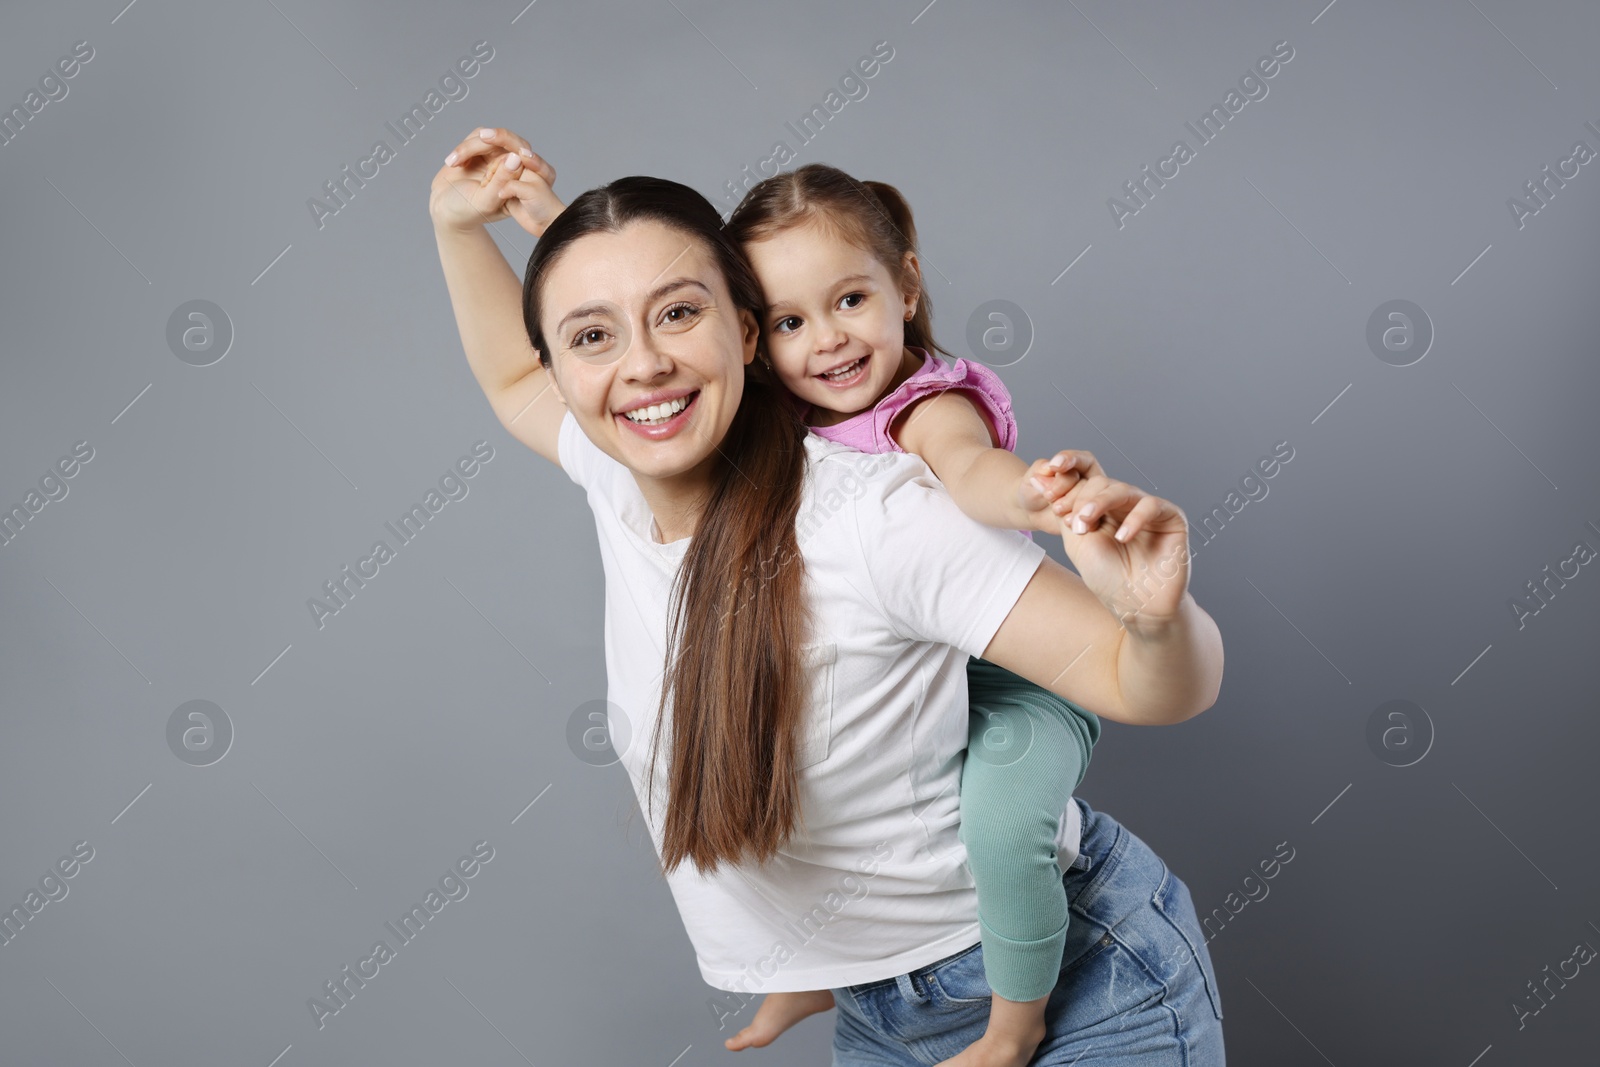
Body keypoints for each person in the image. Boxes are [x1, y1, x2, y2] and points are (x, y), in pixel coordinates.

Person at [428, 127, 1227, 1066]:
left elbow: (1154, 688)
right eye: (593, 337)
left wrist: (1153, 615)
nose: (641, 366)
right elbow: (508, 373)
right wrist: (455, 227)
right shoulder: (618, 476)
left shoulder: (876, 517)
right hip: (883, 1010)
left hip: (1090, 987)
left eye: (679, 315)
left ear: (741, 330)